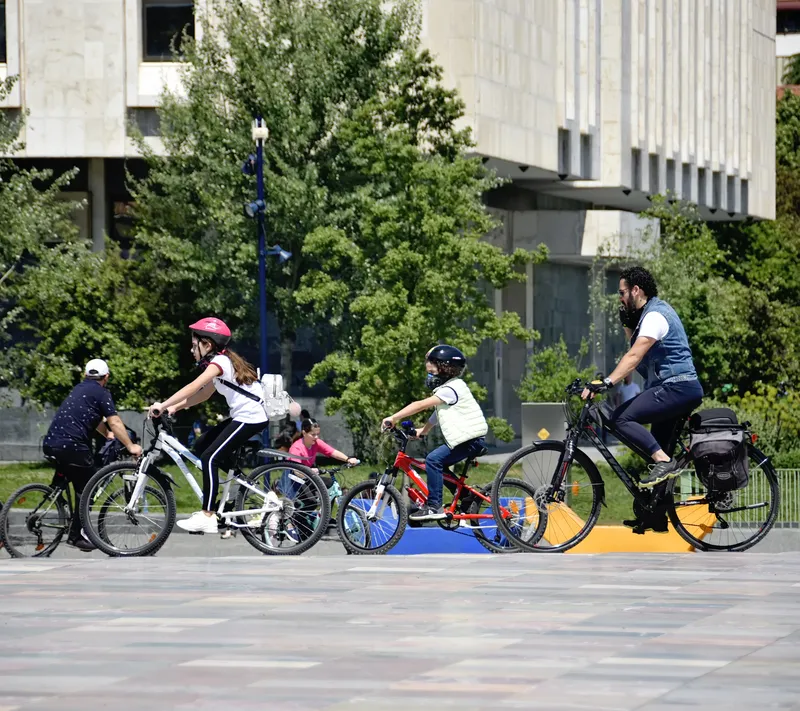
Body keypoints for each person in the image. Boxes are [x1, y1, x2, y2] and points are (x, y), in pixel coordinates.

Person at [581, 266, 703, 533]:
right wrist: (627, 323)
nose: (620, 298)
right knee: (659, 447)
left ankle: (663, 461)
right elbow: (634, 351)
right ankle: (655, 515)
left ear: (637, 290)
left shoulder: (656, 316)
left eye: (622, 292)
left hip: (678, 387)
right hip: (672, 389)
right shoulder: (645, 317)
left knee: (620, 418)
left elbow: (634, 357)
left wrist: (607, 382)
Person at [147, 317, 270, 534]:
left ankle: (208, 515)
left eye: (195, 345)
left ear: (208, 344)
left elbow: (194, 385)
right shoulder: (222, 363)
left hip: (250, 417)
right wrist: (174, 408)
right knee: (203, 445)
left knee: (209, 457)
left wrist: (163, 404)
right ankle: (239, 487)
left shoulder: (219, 363)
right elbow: (203, 394)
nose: (191, 349)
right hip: (244, 416)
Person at [42, 358, 142, 551]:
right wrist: (130, 446)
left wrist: (108, 435)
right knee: (89, 484)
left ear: (85, 375)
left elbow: (93, 418)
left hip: (51, 443)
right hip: (73, 447)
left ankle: (53, 501)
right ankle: (75, 535)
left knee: (71, 479)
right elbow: (114, 422)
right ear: (106, 377)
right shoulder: (102, 393)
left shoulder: (79, 389)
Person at [382, 345, 488, 522]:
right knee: (440, 466)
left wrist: (394, 417)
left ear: (444, 368)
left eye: (432, 368)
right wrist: (423, 431)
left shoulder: (450, 388)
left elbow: (421, 405)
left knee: (433, 459)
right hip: (470, 439)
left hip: (470, 440)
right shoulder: (450, 388)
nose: (428, 372)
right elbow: (437, 414)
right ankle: (468, 498)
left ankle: (434, 506)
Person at [288, 418, 358, 475]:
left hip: (308, 477)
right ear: (304, 433)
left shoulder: (316, 443)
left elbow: (332, 452)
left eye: (317, 434)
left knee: (329, 484)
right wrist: (312, 472)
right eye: (313, 434)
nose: (316, 437)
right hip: (294, 482)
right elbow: (296, 472)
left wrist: (348, 459)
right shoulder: (296, 448)